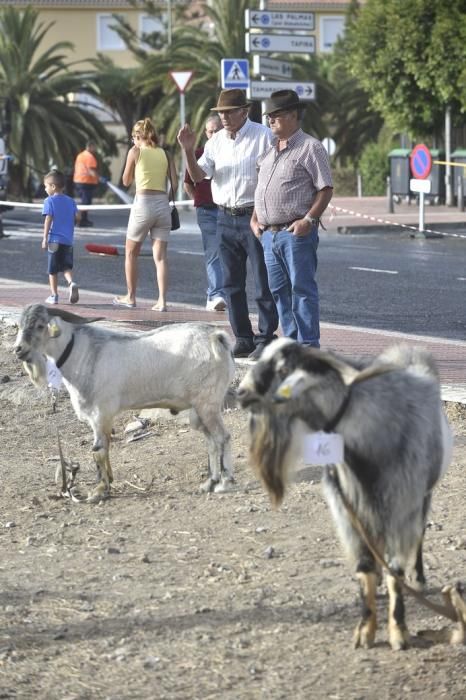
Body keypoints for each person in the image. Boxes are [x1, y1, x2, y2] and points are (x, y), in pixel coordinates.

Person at [178, 89, 278, 359]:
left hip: (254, 216)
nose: (223, 117)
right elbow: (199, 176)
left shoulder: (263, 136)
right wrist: (188, 151)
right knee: (231, 283)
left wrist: (263, 213)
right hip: (224, 216)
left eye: (228, 111)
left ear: (244, 111)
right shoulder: (216, 142)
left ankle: (266, 337)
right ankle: (243, 337)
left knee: (262, 281)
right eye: (220, 112)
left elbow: (272, 177)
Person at [251, 90, 333, 347]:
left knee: (302, 290)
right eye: (269, 116)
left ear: (293, 115)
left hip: (295, 233)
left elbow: (325, 188)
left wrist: (308, 220)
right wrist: (255, 219)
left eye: (276, 116)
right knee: (279, 292)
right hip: (268, 235)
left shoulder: (311, 147)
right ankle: (291, 344)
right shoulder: (268, 152)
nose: (270, 121)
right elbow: (261, 188)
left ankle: (308, 346)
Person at [113, 117, 178, 311]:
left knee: (131, 253)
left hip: (143, 204)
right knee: (161, 257)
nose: (133, 139)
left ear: (139, 136)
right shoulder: (166, 154)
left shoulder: (135, 151)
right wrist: (164, 199)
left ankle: (130, 297)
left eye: (134, 136)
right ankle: (162, 301)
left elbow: (125, 181)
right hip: (162, 205)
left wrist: (133, 164)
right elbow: (174, 183)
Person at [183, 114, 226, 312]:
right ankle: (216, 294)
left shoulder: (231, 152)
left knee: (229, 254)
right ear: (205, 133)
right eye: (210, 131)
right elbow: (188, 183)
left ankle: (215, 293)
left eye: (217, 129)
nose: (214, 133)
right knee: (213, 252)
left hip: (228, 210)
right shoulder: (198, 153)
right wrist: (198, 199)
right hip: (207, 210)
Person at [41, 169, 80, 305]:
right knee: (66, 266)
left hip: (54, 240)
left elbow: (48, 219)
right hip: (68, 240)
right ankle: (71, 282)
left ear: (53, 186)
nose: (45, 189)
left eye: (46, 186)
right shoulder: (71, 201)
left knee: (52, 270)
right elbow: (78, 217)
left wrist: (45, 238)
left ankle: (54, 295)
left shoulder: (49, 201)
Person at [73, 141, 99, 227]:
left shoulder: (80, 155)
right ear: (91, 147)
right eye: (95, 147)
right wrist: (99, 178)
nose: (95, 149)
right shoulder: (90, 157)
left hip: (78, 181)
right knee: (86, 202)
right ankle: (80, 220)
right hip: (86, 182)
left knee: (85, 202)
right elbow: (91, 171)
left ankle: (83, 219)